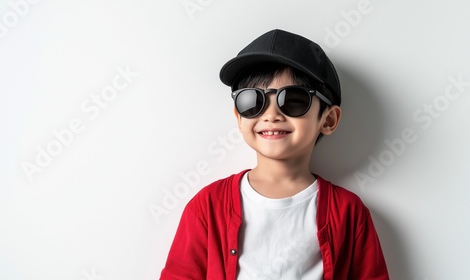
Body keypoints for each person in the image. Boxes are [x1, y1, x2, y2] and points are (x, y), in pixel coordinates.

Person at [160, 29, 389, 280]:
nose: (271, 115)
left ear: (328, 119)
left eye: (293, 100)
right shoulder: (207, 206)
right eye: (252, 101)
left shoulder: (349, 212)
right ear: (239, 117)